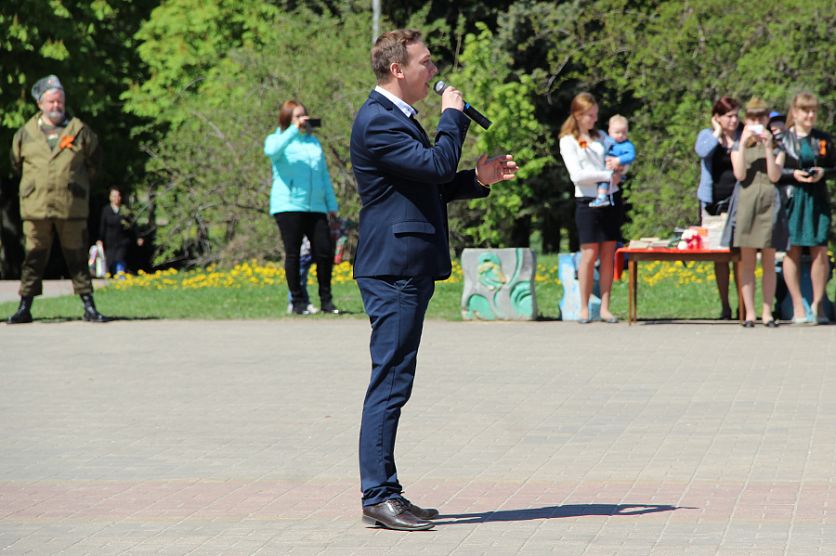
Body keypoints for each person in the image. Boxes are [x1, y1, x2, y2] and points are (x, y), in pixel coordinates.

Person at [351, 29, 518, 531]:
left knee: (395, 378)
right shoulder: (378, 121)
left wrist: (479, 178)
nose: (434, 69)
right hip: (393, 269)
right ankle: (378, 495)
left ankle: (387, 493)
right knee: (391, 381)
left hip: (407, 266)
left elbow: (430, 184)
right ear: (397, 69)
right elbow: (438, 163)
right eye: (426, 62)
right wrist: (452, 115)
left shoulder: (397, 119)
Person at [7, 75, 106, 324]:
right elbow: (16, 164)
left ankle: (89, 306)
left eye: (59, 101)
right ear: (40, 104)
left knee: (78, 258)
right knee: (33, 258)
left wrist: (74, 184)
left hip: (70, 206)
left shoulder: (79, 131)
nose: (56, 106)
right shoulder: (25, 134)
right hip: (36, 207)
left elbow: (95, 162)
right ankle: (24, 307)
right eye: (51, 101)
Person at [264, 99, 340, 315]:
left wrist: (331, 205)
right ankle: (297, 302)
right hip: (288, 205)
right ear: (287, 119)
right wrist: (292, 131)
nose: (302, 120)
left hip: (315, 206)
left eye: (304, 115)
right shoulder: (277, 139)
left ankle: (327, 301)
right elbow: (271, 151)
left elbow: (324, 175)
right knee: (293, 254)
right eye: (297, 116)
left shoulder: (313, 143)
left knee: (324, 252)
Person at [559, 92, 622, 323]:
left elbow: (616, 158)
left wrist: (619, 169)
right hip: (586, 201)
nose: (594, 119)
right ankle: (584, 308)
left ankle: (605, 308)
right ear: (577, 115)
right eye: (590, 115)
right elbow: (577, 175)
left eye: (596, 115)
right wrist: (606, 175)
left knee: (608, 254)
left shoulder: (601, 136)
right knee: (589, 254)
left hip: (611, 199)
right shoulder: (568, 140)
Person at [729, 98, 786, 328]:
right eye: (752, 118)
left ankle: (767, 312)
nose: (757, 122)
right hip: (747, 203)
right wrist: (743, 144)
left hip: (769, 203)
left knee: (769, 262)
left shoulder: (778, 147)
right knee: (747, 262)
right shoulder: (737, 146)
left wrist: (769, 147)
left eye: (761, 118)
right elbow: (740, 174)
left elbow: (774, 176)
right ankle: (750, 313)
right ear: (746, 120)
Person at [778, 92, 835, 324]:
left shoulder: (823, 139)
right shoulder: (783, 139)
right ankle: (797, 305)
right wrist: (793, 174)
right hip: (793, 198)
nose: (810, 115)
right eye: (805, 111)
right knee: (792, 250)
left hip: (817, 199)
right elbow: (774, 172)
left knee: (819, 250)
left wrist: (823, 173)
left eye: (813, 111)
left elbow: (834, 167)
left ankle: (818, 304)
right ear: (795, 112)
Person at [695, 96, 743, 320]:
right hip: (713, 203)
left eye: (736, 115)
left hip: (739, 202)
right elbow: (702, 151)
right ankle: (725, 305)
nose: (734, 120)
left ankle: (744, 305)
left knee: (740, 256)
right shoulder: (707, 135)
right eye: (729, 116)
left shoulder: (744, 135)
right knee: (720, 257)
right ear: (717, 117)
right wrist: (717, 133)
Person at [589, 114, 636, 208]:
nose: (621, 135)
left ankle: (602, 197)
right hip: (606, 165)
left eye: (624, 132)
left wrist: (618, 160)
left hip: (616, 169)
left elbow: (631, 156)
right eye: (617, 132)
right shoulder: (607, 140)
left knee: (604, 180)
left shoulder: (627, 145)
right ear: (609, 131)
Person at [96, 186, 143, 276]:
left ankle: (120, 275)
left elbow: (133, 224)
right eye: (114, 196)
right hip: (110, 242)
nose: (116, 198)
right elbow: (102, 225)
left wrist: (139, 236)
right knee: (111, 261)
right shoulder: (106, 210)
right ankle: (113, 276)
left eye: (118, 196)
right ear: (110, 197)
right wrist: (100, 239)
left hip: (122, 241)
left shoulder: (125, 210)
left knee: (120, 258)